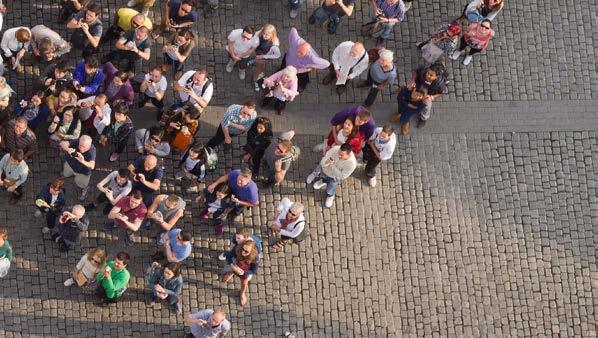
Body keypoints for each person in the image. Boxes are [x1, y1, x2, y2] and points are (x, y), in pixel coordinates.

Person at [306, 143, 357, 208]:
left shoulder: (352, 164)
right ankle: (323, 181)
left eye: (341, 155)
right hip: (325, 171)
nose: (338, 156)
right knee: (323, 178)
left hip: (334, 178)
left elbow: (342, 176)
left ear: (349, 154)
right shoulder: (335, 149)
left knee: (331, 188)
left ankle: (330, 196)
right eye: (339, 153)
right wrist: (326, 163)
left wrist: (332, 165)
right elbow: (323, 160)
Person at [280, 28, 330, 92]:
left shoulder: (313, 58)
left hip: (298, 71)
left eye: (301, 53)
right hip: (287, 63)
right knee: (282, 72)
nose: (298, 54)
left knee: (300, 84)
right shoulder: (296, 40)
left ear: (307, 53)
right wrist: (291, 42)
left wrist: (312, 67)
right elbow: (293, 30)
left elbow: (326, 64)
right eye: (298, 51)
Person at [221, 239, 259, 306]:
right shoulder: (238, 248)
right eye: (243, 249)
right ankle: (231, 273)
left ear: (251, 252)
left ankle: (242, 293)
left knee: (244, 283)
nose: (243, 252)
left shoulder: (255, 258)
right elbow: (229, 256)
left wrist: (243, 272)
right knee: (231, 269)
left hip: (244, 270)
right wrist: (232, 266)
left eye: (246, 251)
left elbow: (254, 271)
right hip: (235, 264)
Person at [59, 135, 96, 200]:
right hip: (70, 165)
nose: (81, 148)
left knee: (82, 185)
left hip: (82, 172)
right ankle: (66, 174)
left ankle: (85, 188)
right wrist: (68, 149)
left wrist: (82, 161)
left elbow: (92, 166)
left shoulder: (92, 150)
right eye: (80, 145)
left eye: (84, 147)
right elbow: (62, 143)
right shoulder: (78, 141)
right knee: (65, 173)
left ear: (89, 146)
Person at [249, 24, 281, 92]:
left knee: (258, 69)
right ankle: (252, 61)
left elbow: (277, 55)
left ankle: (254, 80)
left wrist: (263, 56)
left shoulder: (274, 44)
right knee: (252, 59)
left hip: (263, 57)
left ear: (272, 35)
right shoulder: (259, 33)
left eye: (267, 35)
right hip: (255, 51)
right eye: (264, 33)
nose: (265, 36)